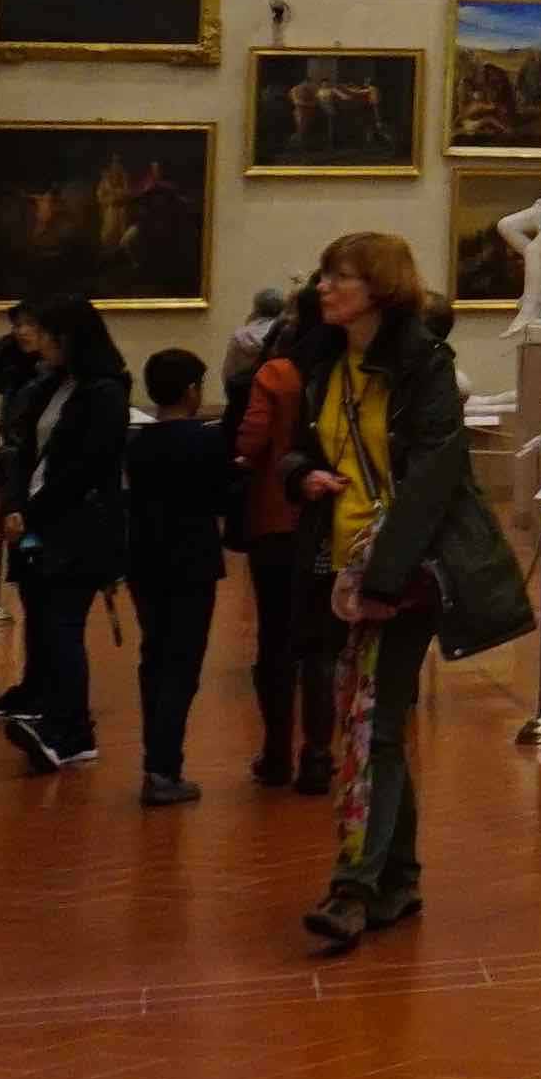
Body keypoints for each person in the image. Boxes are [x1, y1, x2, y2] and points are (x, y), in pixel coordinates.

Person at [283, 231, 530, 948]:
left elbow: (432, 478)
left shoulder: (423, 365)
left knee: (371, 722)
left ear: (380, 287)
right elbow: (303, 445)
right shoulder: (324, 359)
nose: (324, 287)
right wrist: (300, 474)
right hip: (337, 564)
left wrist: (384, 579)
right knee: (373, 720)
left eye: (341, 276)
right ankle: (399, 878)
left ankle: (354, 887)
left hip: (402, 571)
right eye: (324, 275)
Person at [0, 297, 128, 774]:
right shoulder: (53, 384)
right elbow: (27, 449)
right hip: (40, 520)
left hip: (77, 525)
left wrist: (33, 511)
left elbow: (86, 467)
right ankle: (54, 716)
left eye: (45, 332)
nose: (36, 341)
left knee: (64, 625)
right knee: (45, 623)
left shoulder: (104, 392)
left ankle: (74, 731)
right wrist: (17, 504)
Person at [119, 348, 240, 805]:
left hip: (144, 561)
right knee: (182, 666)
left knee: (154, 659)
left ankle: (155, 760)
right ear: (191, 391)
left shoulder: (137, 444)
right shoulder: (208, 441)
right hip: (191, 562)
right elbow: (223, 498)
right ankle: (164, 767)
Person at [231, 306, 339, 792]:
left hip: (275, 516)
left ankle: (276, 753)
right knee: (320, 645)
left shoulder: (276, 374)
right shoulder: (341, 372)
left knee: (275, 639)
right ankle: (318, 754)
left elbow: (252, 438)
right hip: (327, 519)